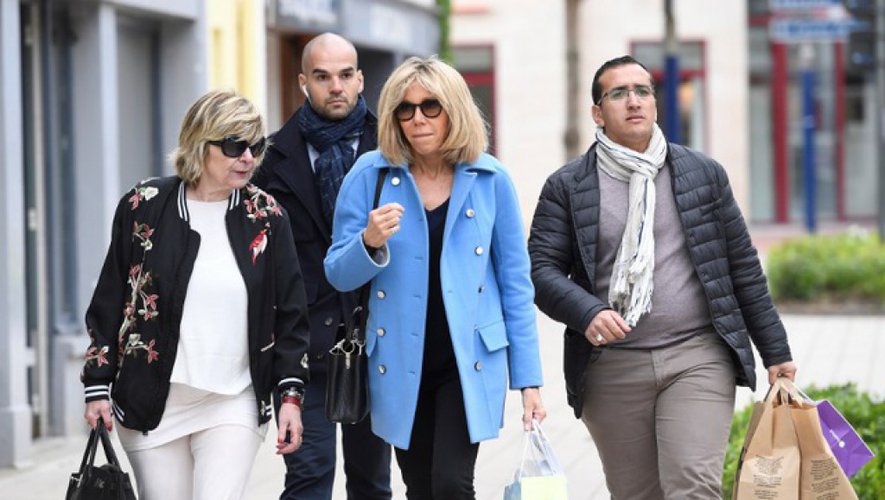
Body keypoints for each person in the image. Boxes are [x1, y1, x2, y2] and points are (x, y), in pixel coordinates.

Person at [528, 55, 798, 500]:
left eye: (642, 91)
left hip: (697, 355)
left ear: (655, 103)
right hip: (611, 366)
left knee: (693, 485)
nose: (633, 101)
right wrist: (588, 312)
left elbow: (742, 266)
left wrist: (775, 350)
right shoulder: (568, 185)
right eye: (618, 93)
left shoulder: (702, 174)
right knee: (636, 493)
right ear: (598, 112)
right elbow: (540, 269)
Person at [324, 56, 546, 499]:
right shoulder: (369, 174)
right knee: (420, 488)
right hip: (398, 359)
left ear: (454, 110)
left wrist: (529, 380)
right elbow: (338, 274)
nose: (417, 119)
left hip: (468, 360)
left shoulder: (489, 178)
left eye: (430, 106)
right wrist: (368, 241)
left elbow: (516, 285)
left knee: (451, 484)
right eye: (405, 109)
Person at [81, 89, 310, 500]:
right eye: (234, 146)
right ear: (200, 143)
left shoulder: (267, 217)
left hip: (233, 400)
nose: (247, 158)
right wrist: (97, 384)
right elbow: (110, 298)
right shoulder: (144, 205)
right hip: (152, 403)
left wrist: (290, 396)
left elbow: (291, 313)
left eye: (255, 147)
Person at [253, 33, 392, 500]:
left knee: (372, 483)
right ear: (303, 83)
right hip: (301, 341)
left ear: (360, 80)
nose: (336, 86)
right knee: (308, 478)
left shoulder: (392, 148)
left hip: (375, 338)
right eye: (322, 76)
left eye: (345, 75)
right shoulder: (271, 157)